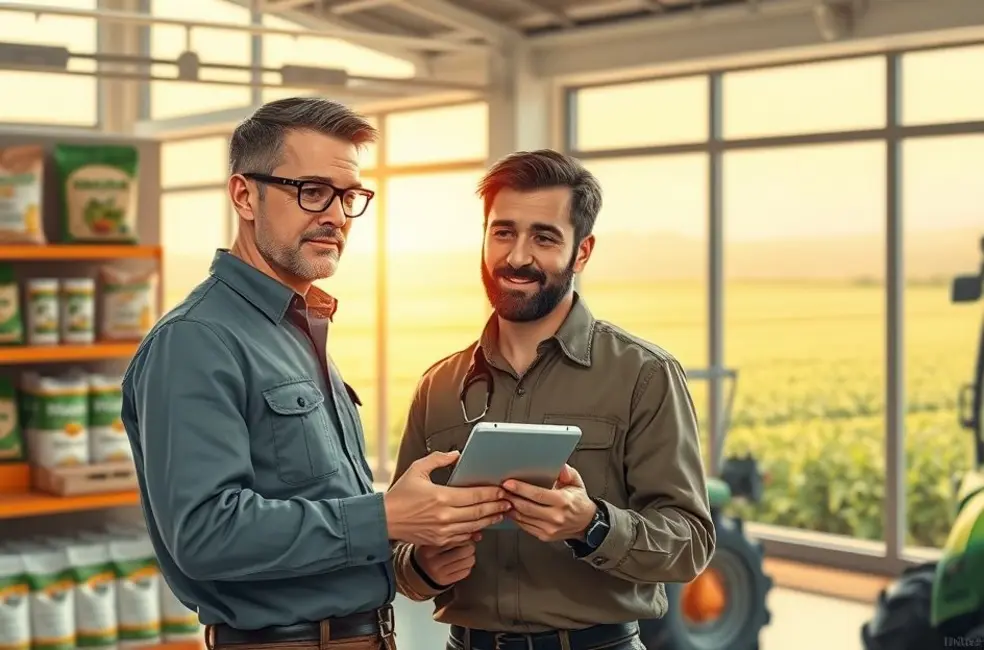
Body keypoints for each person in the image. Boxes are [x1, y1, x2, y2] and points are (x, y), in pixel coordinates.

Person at [120, 97, 511, 650]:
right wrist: (387, 517)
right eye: (310, 191)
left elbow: (316, 511)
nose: (334, 215)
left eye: (348, 197)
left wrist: (417, 563)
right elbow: (206, 534)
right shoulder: (196, 340)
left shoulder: (298, 329)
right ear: (244, 195)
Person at [388, 149, 716, 650]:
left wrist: (593, 524)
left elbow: (690, 544)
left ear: (582, 252)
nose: (518, 256)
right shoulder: (438, 387)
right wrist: (424, 568)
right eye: (503, 232)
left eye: (544, 237)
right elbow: (397, 553)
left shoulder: (644, 375)